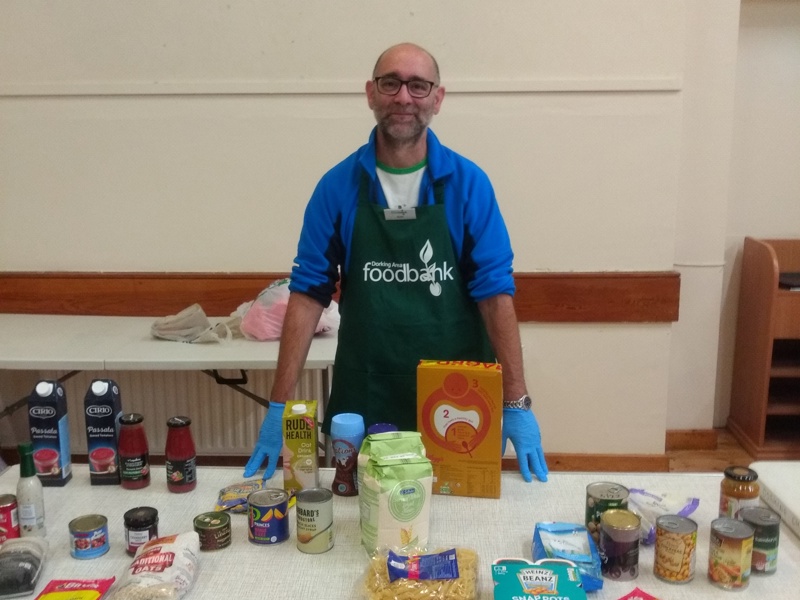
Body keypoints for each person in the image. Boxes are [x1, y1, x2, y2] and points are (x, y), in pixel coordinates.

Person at [244, 43, 547, 483]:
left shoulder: (468, 185)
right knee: (362, 512)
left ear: (437, 98)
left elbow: (495, 293)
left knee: (461, 513)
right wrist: (279, 406)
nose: (404, 97)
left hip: (458, 395)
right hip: (369, 394)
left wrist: (516, 402)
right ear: (371, 93)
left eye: (418, 85)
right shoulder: (337, 187)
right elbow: (308, 293)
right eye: (391, 83)